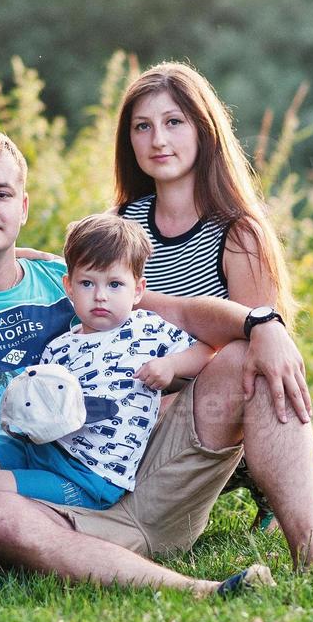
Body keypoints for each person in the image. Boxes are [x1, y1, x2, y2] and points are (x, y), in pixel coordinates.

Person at [0, 128, 313, 595]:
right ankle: (202, 590)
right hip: (40, 510)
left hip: (147, 478)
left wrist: (263, 323)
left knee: (244, 356)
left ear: (22, 207)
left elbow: (181, 312)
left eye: (2, 193)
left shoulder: (71, 278)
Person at [0, 213, 262, 593]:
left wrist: (171, 365)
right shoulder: (59, 346)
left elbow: (207, 350)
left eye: (115, 284)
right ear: (68, 287)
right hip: (46, 449)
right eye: (87, 283)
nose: (100, 296)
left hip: (89, 477)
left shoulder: (147, 329)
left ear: (137, 290)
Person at [115, 61, 297, 532]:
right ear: (129, 140)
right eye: (143, 126)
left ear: (204, 131)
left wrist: (172, 393)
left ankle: (264, 482)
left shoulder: (238, 233)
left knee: (241, 351)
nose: (158, 140)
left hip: (209, 400)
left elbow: (257, 346)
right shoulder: (119, 225)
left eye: (174, 122)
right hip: (135, 393)